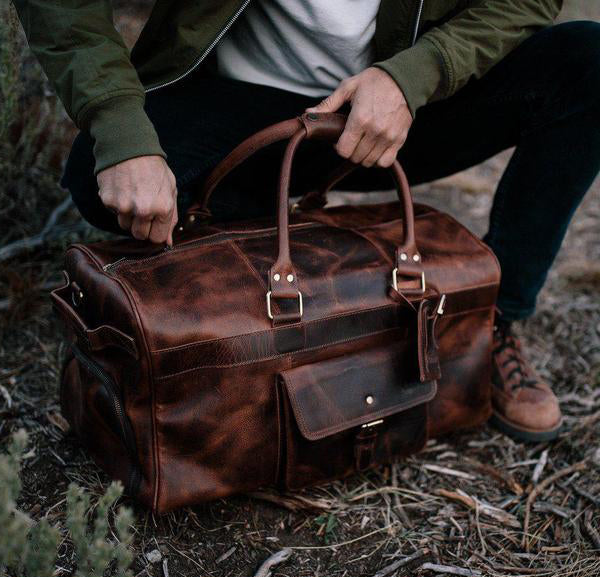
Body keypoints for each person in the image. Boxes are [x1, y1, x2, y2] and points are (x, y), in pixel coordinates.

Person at [13, 0, 600, 441]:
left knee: (587, 65)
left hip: (396, 111)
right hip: (240, 103)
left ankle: (492, 320)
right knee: (103, 178)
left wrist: (414, 75)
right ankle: (225, 324)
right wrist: (119, 126)